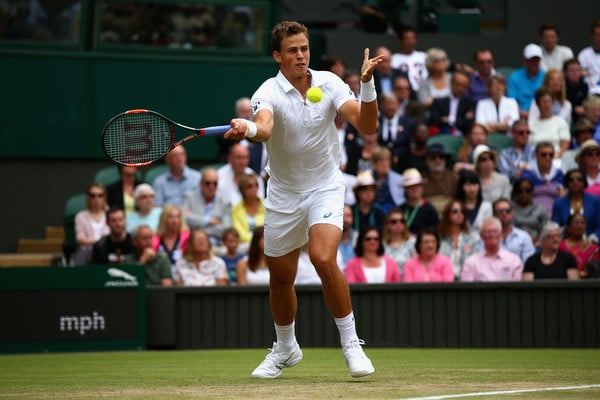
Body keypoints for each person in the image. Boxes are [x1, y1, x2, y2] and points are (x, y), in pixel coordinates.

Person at [223, 21, 381, 378]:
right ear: (278, 56)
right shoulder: (268, 91)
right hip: (282, 195)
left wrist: (367, 85)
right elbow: (263, 127)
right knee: (280, 279)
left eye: (304, 49)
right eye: (292, 50)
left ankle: (351, 345)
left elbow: (367, 126)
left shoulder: (329, 83)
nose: (300, 56)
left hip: (324, 185)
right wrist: (247, 127)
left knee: (324, 258)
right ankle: (285, 347)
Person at [461, 217, 524, 282]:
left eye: (495, 231)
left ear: (501, 234)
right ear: (481, 236)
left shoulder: (514, 260)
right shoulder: (471, 262)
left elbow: (517, 289)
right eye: (488, 232)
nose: (492, 235)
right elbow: (467, 289)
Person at [181, 168, 231, 243]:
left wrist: (201, 232)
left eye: (215, 183)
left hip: (217, 245)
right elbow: (184, 218)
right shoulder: (189, 197)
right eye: (207, 183)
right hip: (192, 244)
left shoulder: (225, 203)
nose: (211, 187)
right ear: (200, 183)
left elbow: (226, 228)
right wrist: (208, 220)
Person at [551, 169, 600, 242]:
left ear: (583, 182)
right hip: (565, 243)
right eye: (571, 179)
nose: (575, 182)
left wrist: (591, 239)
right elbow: (554, 227)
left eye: (579, 179)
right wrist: (563, 229)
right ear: (567, 183)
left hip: (591, 242)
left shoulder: (595, 201)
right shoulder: (559, 203)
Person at [437, 200, 480, 280]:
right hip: (443, 281)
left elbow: (474, 263)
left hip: (466, 281)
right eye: (455, 211)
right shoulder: (439, 239)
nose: (459, 214)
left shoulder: (472, 239)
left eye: (462, 211)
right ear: (447, 215)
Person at [521, 142, 565, 214]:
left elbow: (562, 195)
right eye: (543, 155)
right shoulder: (527, 173)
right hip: (532, 212)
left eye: (551, 155)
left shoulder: (558, 173)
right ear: (536, 155)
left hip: (554, 212)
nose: (548, 158)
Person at [428, 70, 475, 137]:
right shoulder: (439, 102)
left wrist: (450, 120)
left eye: (464, 86)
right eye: (458, 84)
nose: (460, 88)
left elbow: (469, 124)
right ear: (451, 83)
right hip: (443, 136)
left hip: (463, 138)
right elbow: (436, 121)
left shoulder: (470, 103)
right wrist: (461, 120)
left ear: (467, 88)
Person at [217, 143, 265, 207]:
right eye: (239, 157)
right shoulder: (218, 176)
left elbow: (259, 203)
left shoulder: (256, 178)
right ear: (230, 158)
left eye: (245, 158)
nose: (242, 162)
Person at [528, 88, 571, 159]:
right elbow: (529, 147)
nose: (547, 105)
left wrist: (556, 156)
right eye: (544, 102)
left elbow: (565, 144)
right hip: (536, 159)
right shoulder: (531, 125)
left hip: (556, 159)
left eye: (549, 101)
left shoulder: (560, 122)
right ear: (538, 104)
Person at [72, 183, 110, 265]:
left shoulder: (111, 213)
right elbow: (80, 239)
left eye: (100, 195)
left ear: (105, 197)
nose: (96, 198)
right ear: (88, 197)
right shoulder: (80, 216)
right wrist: (99, 242)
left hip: (108, 251)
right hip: (87, 251)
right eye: (93, 195)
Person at [507, 43, 545, 119]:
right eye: (531, 60)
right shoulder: (514, 77)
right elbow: (511, 102)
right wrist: (522, 114)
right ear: (524, 60)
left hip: (541, 116)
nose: (534, 62)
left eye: (537, 59)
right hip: (520, 117)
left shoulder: (545, 76)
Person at [492, 198, 536, 263]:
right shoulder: (488, 237)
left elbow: (529, 264)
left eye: (508, 211)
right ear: (494, 215)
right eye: (500, 211)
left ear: (512, 213)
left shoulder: (524, 237)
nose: (504, 214)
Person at [377, 92, 415, 165]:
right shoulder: (376, 123)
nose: (390, 108)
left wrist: (397, 155)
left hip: (403, 163)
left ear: (398, 106)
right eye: (387, 104)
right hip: (381, 161)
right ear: (381, 106)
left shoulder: (408, 123)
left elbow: (410, 145)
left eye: (393, 104)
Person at [152, 204, 190, 278]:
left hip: (184, 277)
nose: (174, 220)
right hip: (160, 277)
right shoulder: (155, 239)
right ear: (163, 220)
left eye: (177, 217)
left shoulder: (188, 237)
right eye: (170, 217)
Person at [421, 143, 458, 215]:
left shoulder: (454, 178)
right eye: (433, 157)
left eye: (441, 157)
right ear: (426, 160)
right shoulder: (420, 179)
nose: (437, 160)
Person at [559, 213, 600, 278]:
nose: (579, 225)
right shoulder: (559, 245)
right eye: (575, 222)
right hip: (563, 281)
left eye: (582, 222)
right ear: (568, 226)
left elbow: (596, 271)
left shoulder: (593, 248)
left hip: (586, 283)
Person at [400, 168, 439, 234]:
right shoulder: (400, 210)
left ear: (422, 187)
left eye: (417, 185)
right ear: (405, 189)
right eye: (410, 186)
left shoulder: (430, 211)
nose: (414, 189)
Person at [510, 177, 549, 243]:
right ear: (515, 192)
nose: (524, 193)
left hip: (536, 242)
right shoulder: (509, 207)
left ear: (532, 191)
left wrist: (538, 240)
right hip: (513, 241)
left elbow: (545, 228)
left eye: (528, 190)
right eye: (520, 191)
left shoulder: (540, 208)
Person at [454, 170, 493, 234]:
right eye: (468, 185)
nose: (472, 189)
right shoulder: (456, 206)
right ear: (461, 187)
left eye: (475, 184)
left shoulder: (486, 206)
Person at [231, 173, 265, 244]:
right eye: (250, 186)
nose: (254, 188)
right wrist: (254, 241)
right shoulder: (236, 209)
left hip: (265, 242)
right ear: (243, 189)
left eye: (256, 185)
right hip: (245, 244)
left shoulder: (267, 205)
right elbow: (239, 232)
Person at [391, 26, 427, 93]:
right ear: (400, 41)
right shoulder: (393, 59)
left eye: (413, 38)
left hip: (424, 93)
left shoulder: (424, 56)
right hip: (405, 93)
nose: (411, 42)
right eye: (407, 39)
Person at [382, 207, 415, 278]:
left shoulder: (412, 242)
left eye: (402, 221)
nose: (398, 224)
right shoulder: (381, 244)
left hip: (408, 282)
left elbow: (416, 265)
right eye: (394, 221)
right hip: (387, 282)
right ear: (387, 225)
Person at [371, 146, 405, 213]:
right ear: (374, 164)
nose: (385, 164)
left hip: (395, 212)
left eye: (387, 160)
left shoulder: (400, 179)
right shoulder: (368, 179)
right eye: (381, 161)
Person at [577, 20, 600, 95]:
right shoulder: (584, 55)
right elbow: (581, 76)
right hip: (590, 94)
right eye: (598, 35)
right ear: (592, 36)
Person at [563, 59, 589, 123]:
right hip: (565, 116)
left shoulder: (584, 86)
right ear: (565, 73)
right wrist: (574, 109)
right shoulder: (561, 86)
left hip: (581, 116)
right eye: (572, 70)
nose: (575, 73)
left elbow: (586, 103)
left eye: (577, 70)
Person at [339, 205, 358, 270]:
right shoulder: (330, 239)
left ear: (352, 218)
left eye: (348, 216)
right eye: (342, 216)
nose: (345, 219)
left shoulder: (358, 237)